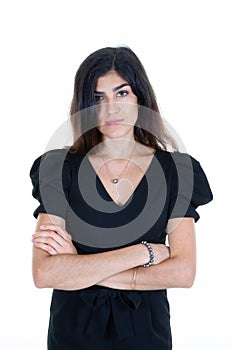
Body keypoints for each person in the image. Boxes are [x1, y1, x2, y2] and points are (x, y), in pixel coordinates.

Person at [30, 46, 213, 350]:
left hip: (146, 338)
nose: (111, 109)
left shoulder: (177, 171)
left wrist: (79, 266)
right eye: (98, 98)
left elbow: (183, 272)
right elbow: (44, 271)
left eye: (122, 93)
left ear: (141, 98)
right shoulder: (58, 168)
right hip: (73, 336)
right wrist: (144, 254)